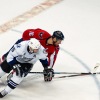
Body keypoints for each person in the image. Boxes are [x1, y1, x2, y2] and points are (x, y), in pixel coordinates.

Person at [0, 28, 64, 82]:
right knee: (8, 58)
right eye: (59, 40)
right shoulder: (42, 34)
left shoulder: (55, 48)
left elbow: (52, 58)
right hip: (24, 47)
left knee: (24, 69)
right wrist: (26, 45)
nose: (60, 43)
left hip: (33, 55)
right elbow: (26, 33)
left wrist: (48, 69)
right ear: (54, 38)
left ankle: (14, 74)